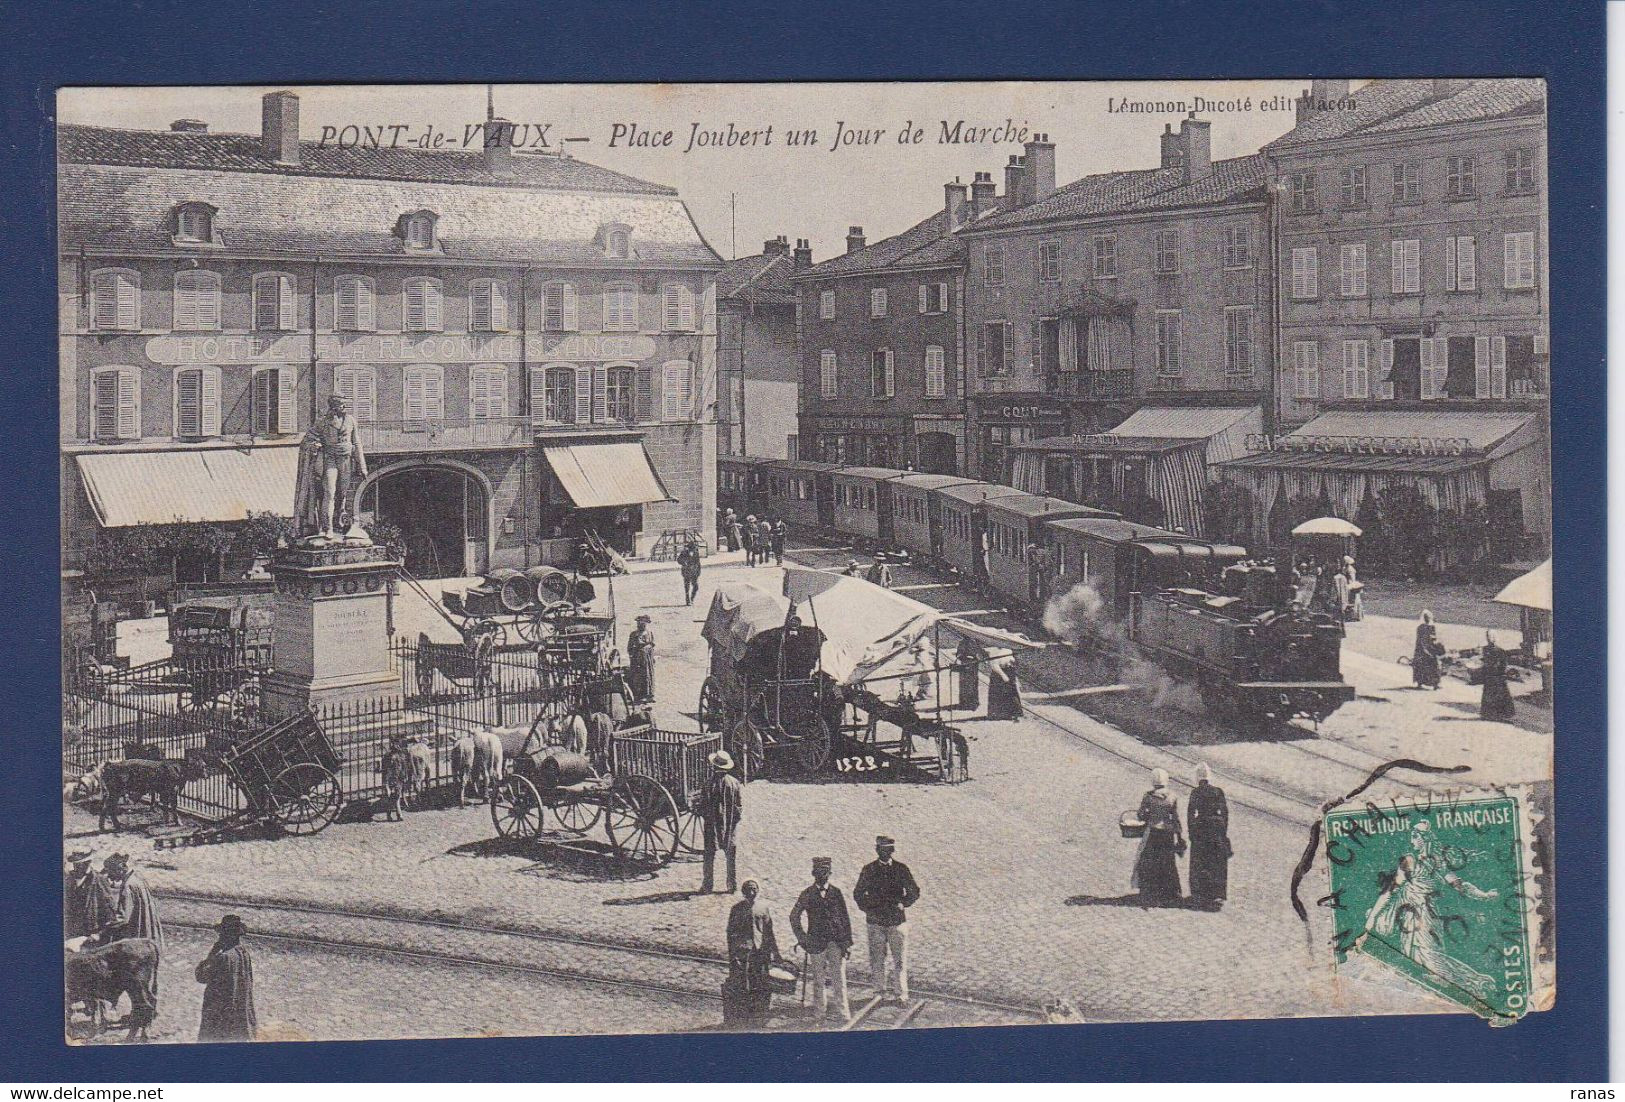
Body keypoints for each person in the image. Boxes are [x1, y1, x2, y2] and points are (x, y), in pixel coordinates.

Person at [853, 836, 920, 1005]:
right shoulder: (868, 870)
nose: (885, 853)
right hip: (876, 923)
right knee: (877, 959)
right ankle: (878, 992)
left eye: (889, 850)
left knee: (900, 960)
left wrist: (903, 903)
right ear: (877, 850)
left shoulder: (901, 869)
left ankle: (901, 993)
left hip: (897, 923)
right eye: (882, 850)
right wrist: (869, 908)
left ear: (892, 851)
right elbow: (858, 893)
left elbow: (914, 891)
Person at [790, 857, 853, 1024]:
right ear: (813, 874)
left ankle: (843, 1014)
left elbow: (844, 919)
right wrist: (802, 938)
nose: (822, 876)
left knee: (839, 979)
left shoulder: (837, 893)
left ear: (830, 873)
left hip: (836, 944)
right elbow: (794, 916)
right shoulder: (807, 894)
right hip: (816, 945)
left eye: (825, 872)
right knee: (818, 981)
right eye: (818, 872)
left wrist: (846, 943)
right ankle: (819, 1014)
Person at [725, 880, 780, 1025]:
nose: (751, 892)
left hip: (760, 950)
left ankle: (758, 1013)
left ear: (758, 890)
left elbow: (768, 931)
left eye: (754, 889)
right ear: (743, 892)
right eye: (748, 890)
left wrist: (775, 952)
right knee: (743, 983)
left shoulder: (763, 908)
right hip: (743, 951)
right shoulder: (736, 909)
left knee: (760, 981)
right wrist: (733, 954)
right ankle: (742, 1014)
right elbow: (731, 933)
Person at [196, 914, 257, 1042]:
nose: (220, 937)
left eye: (222, 934)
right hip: (240, 1016)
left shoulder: (223, 958)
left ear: (226, 935)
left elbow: (201, 976)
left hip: (220, 1017)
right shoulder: (244, 954)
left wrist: (212, 954)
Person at [1130, 769, 1185, 906]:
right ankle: (1170, 891)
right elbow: (1176, 818)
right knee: (1167, 862)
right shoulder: (1172, 796)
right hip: (1167, 834)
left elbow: (1141, 815)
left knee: (1148, 861)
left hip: (1153, 832)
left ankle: (1150, 890)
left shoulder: (1148, 797)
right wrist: (1179, 836)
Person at [1186, 763, 1231, 911]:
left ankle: (1200, 892)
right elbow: (1224, 812)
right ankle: (1217, 893)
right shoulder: (1218, 791)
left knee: (1199, 860)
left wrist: (1191, 831)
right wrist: (1223, 830)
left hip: (1201, 828)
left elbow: (1191, 814)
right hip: (1216, 829)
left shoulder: (1196, 792)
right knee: (1217, 861)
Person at [100, 854, 165, 955]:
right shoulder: (137, 876)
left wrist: (107, 926)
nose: (110, 876)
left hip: (139, 931)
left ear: (119, 870)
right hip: (147, 927)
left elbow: (124, 918)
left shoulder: (128, 886)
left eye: (111, 872)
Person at [699, 750, 743, 893]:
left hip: (712, 825)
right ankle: (732, 885)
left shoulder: (708, 784)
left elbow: (703, 806)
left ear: (714, 767)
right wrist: (733, 820)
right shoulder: (734, 783)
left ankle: (707, 885)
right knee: (731, 855)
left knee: (709, 855)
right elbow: (739, 807)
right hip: (730, 825)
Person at [64, 849, 114, 940]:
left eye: (80, 864)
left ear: (88, 862)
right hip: (73, 929)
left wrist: (101, 932)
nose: (77, 867)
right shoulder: (68, 878)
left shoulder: (98, 879)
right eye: (75, 864)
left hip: (91, 931)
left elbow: (108, 908)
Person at [1480, 631, 1516, 720]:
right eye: (1488, 636)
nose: (1489, 638)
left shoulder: (1500, 651)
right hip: (1489, 676)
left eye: (1491, 636)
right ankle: (1488, 714)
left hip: (1498, 676)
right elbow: (1485, 661)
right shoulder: (1485, 649)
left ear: (1495, 638)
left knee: (1501, 695)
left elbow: (1504, 663)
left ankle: (1503, 714)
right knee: (1489, 695)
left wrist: (1500, 671)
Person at [986, 647, 1023, 720]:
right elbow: (994, 665)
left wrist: (1012, 664)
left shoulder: (1008, 650)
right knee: (998, 693)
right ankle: (996, 714)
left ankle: (1012, 713)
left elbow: (1013, 661)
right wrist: (1003, 675)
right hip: (998, 675)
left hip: (1009, 671)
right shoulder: (993, 651)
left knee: (1012, 692)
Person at [627, 615, 656, 703]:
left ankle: (649, 695)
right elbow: (630, 647)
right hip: (637, 658)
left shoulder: (649, 633)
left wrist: (652, 656)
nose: (642, 625)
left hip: (647, 658)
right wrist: (633, 656)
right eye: (640, 623)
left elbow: (652, 644)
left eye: (644, 623)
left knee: (649, 675)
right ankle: (639, 695)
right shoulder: (634, 634)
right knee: (638, 676)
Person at [1412, 610, 1444, 690]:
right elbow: (1423, 639)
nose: (1427, 619)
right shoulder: (1424, 627)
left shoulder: (1428, 627)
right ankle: (1424, 683)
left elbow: (1433, 638)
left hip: (1427, 648)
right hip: (1423, 649)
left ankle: (1432, 683)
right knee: (1425, 665)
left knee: (1431, 665)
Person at [677, 541, 703, 606]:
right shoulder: (684, 552)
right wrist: (683, 562)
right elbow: (679, 560)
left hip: (694, 572)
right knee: (687, 587)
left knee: (696, 587)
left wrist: (698, 572)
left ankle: (692, 598)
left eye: (694, 548)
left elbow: (698, 563)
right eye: (692, 548)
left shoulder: (696, 553)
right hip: (686, 572)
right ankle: (687, 599)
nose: (693, 549)